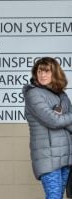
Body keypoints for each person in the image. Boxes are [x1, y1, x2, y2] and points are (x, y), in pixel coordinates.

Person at [22, 57, 72, 199]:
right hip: (47, 156)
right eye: (39, 71)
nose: (42, 75)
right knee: (54, 196)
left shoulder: (62, 95)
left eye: (47, 71)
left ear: (55, 73)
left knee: (57, 196)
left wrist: (63, 118)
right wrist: (65, 117)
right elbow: (53, 121)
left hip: (66, 156)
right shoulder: (33, 94)